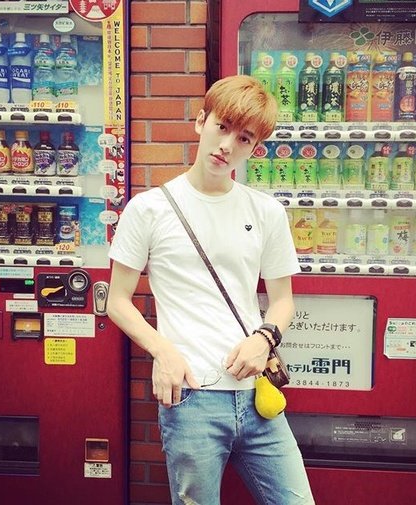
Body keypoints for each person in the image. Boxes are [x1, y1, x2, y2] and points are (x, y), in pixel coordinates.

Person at [107, 74, 315, 505]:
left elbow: (283, 301)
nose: (226, 145)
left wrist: (264, 338)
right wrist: (163, 351)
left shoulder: (266, 211)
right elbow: (117, 300)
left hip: (257, 398)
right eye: (222, 127)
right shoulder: (148, 209)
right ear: (201, 121)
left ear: (254, 148)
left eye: (244, 139)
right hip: (191, 398)